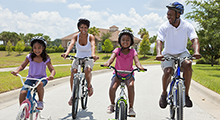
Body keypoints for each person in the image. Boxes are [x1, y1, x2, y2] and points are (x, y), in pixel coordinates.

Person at [155, 2, 201, 109]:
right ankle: (163, 94)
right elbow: (159, 41)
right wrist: (159, 53)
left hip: (182, 52)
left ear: (178, 14)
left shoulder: (187, 26)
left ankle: (186, 95)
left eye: (170, 14)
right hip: (168, 53)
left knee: (188, 64)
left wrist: (196, 51)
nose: (168, 17)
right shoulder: (164, 27)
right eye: (167, 14)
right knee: (168, 71)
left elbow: (195, 39)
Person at [103, 29, 145, 116]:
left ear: (131, 42)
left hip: (129, 75)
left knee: (131, 86)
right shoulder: (117, 50)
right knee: (112, 88)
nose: (125, 42)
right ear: (120, 41)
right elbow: (111, 59)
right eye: (123, 40)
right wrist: (107, 63)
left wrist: (139, 67)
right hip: (117, 74)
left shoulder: (133, 51)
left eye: (127, 40)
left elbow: (137, 62)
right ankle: (112, 104)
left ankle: (131, 108)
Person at [11, 36, 56, 110]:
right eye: (34, 48)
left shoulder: (46, 58)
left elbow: (52, 69)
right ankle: (22, 111)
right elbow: (22, 66)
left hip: (41, 79)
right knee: (22, 93)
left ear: (43, 48)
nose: (37, 50)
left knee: (39, 84)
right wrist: (17, 71)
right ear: (32, 48)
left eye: (39, 48)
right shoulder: (30, 57)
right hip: (30, 78)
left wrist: (52, 75)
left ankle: (40, 101)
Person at [61, 18, 98, 105]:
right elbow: (71, 44)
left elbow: (93, 46)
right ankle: (73, 95)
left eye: (85, 27)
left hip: (88, 57)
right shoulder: (75, 36)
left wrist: (93, 55)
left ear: (88, 28)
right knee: (73, 72)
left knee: (87, 70)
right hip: (78, 57)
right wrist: (66, 53)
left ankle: (89, 86)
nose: (83, 29)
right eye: (81, 27)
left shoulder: (91, 37)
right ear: (78, 27)